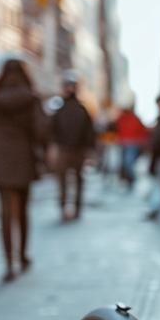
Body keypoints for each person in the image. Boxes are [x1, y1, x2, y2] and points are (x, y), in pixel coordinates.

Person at [0, 59, 46, 282]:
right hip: (22, 154)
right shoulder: (31, 99)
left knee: (5, 210)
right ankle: (22, 255)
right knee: (22, 208)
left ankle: (8, 261)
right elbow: (41, 131)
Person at [50, 70, 95, 221]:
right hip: (65, 149)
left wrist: (89, 151)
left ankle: (76, 209)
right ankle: (64, 208)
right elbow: (52, 130)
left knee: (76, 180)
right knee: (64, 181)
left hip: (77, 150)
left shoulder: (81, 110)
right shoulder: (60, 110)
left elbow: (89, 133)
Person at [114, 106, 148, 190]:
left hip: (132, 143)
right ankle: (127, 179)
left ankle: (130, 180)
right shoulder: (122, 118)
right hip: (124, 142)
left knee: (128, 162)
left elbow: (142, 130)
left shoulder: (133, 119)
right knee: (125, 163)